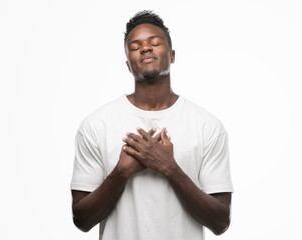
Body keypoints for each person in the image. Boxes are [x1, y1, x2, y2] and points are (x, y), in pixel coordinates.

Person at [70, 10, 233, 240]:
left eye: (154, 43)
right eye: (135, 47)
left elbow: (220, 222)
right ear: (128, 65)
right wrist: (122, 172)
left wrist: (170, 168)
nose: (145, 48)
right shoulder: (97, 125)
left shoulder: (207, 125)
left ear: (172, 55)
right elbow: (82, 220)